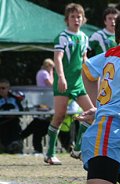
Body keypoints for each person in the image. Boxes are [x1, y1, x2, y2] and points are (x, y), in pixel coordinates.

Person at [6, 1, 120, 184]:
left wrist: (101, 107)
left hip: (119, 138)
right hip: (110, 137)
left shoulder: (113, 52)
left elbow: (87, 71)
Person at [44, 3, 94, 165]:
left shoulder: (84, 37)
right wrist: (61, 77)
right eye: (72, 16)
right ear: (67, 20)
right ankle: (50, 154)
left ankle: (78, 148)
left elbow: (84, 59)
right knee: (59, 116)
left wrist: (92, 74)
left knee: (92, 114)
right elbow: (57, 58)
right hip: (63, 82)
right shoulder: (62, 36)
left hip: (79, 84)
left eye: (79, 16)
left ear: (83, 19)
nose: (76, 19)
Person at [0, 78, 24, 154]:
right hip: (2, 122)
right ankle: (8, 147)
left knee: (15, 125)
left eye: (3, 88)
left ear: (8, 89)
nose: (1, 90)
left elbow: (21, 111)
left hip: (13, 121)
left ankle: (14, 145)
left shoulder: (14, 98)